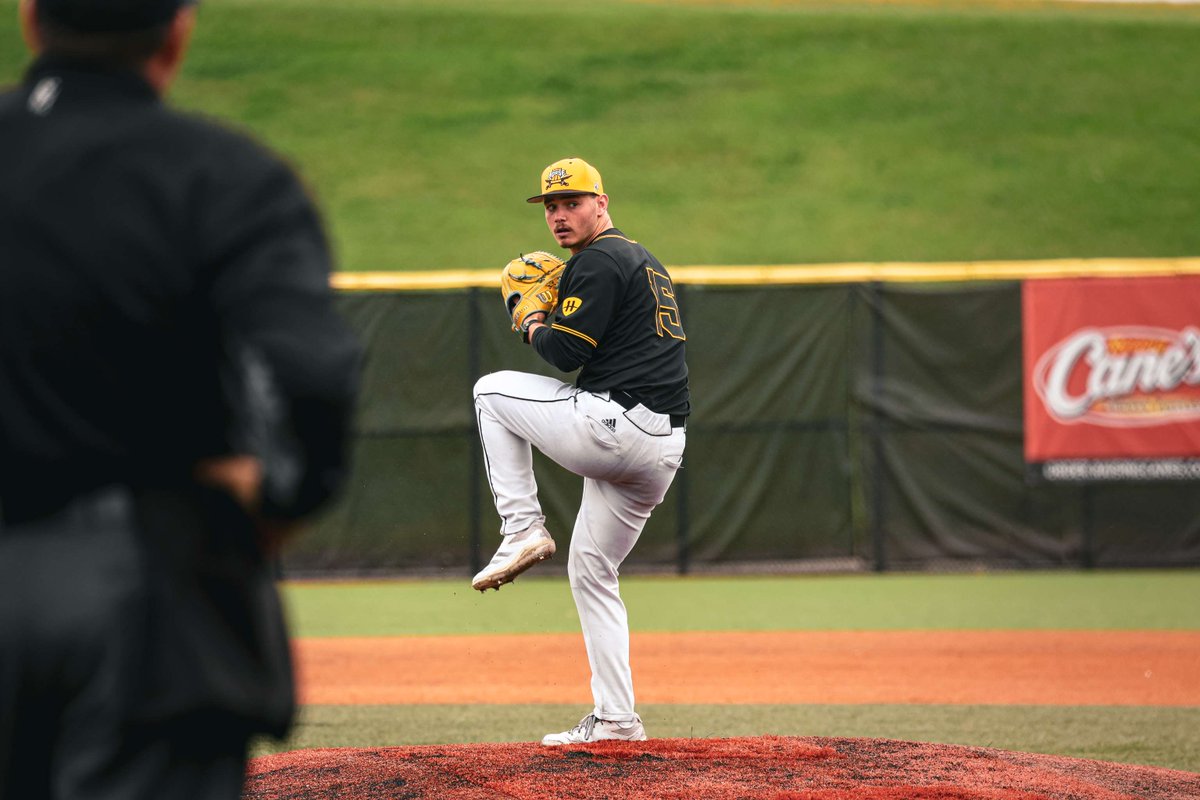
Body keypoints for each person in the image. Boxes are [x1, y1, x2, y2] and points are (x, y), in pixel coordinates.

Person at [0, 0, 362, 797]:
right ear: (178, 31)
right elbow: (313, 374)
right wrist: (283, 494)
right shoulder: (224, 174)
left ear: (30, 19)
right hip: (146, 595)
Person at [472, 157, 690, 745]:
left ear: (602, 201)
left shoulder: (598, 260)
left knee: (489, 391)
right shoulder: (642, 259)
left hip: (614, 427)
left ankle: (521, 527)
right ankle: (618, 719)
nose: (560, 215)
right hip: (664, 445)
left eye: (572, 202)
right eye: (550, 205)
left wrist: (531, 316)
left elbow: (565, 354)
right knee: (592, 571)